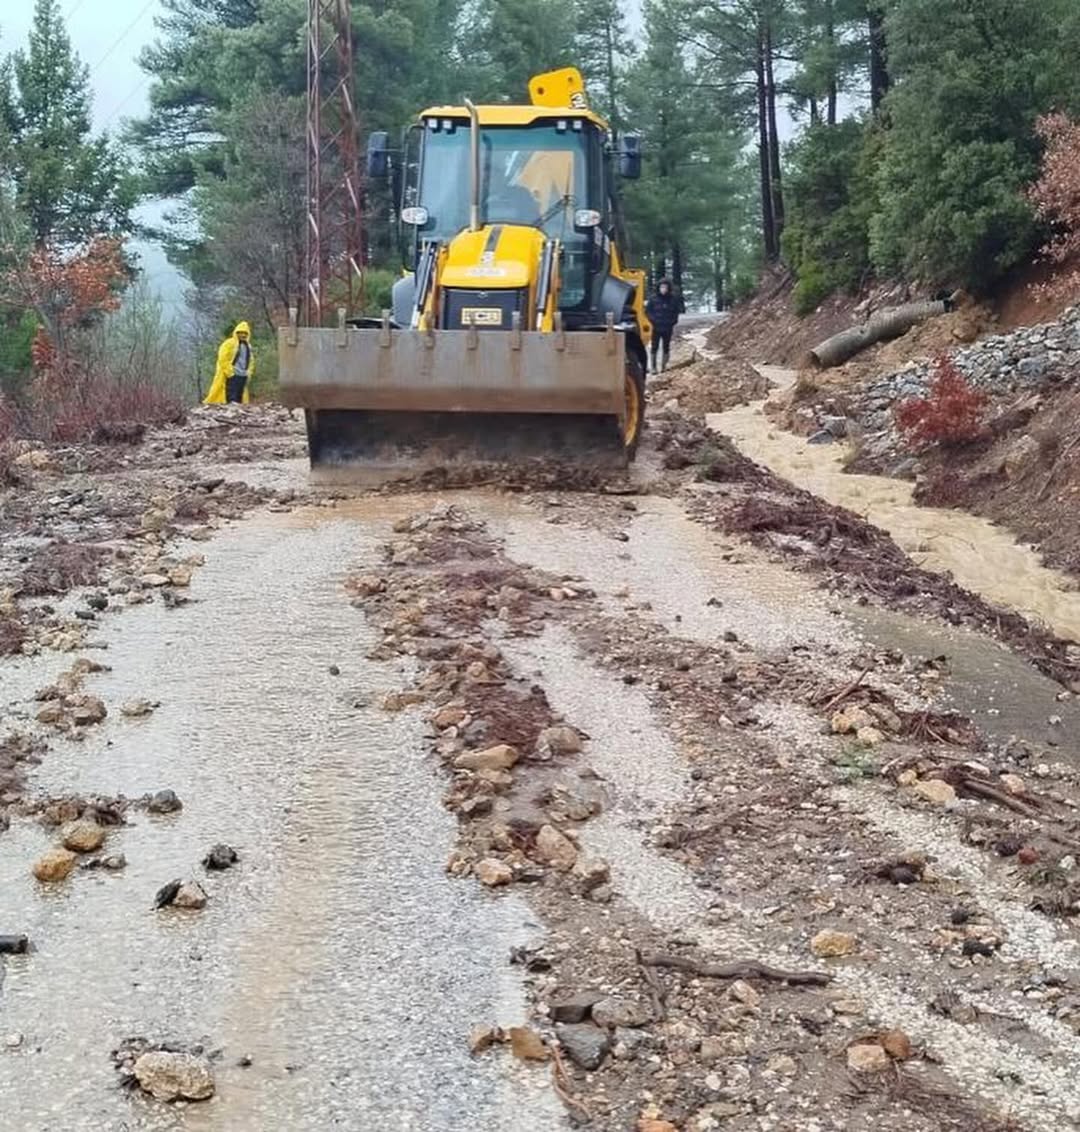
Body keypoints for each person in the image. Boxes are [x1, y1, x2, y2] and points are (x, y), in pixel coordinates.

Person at [204, 321, 255, 404]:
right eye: (240, 333)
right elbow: (222, 358)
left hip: (243, 374)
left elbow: (251, 360)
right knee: (230, 395)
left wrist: (249, 372)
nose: (242, 335)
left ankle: (237, 412)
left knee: (240, 395)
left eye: (245, 333)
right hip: (232, 374)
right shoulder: (229, 343)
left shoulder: (248, 346)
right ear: (236, 333)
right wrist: (230, 372)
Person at [645, 279, 679, 374]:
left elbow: (676, 313)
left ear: (668, 288)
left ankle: (664, 367)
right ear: (658, 288)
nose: (663, 289)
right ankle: (653, 367)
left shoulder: (673, 299)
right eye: (662, 287)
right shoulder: (653, 299)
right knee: (654, 347)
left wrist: (672, 322)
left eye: (665, 287)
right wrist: (653, 321)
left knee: (666, 346)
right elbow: (647, 312)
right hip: (656, 327)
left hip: (667, 327)